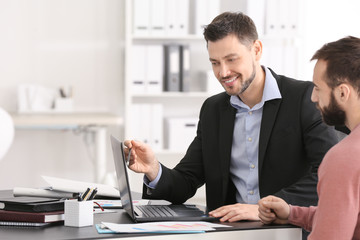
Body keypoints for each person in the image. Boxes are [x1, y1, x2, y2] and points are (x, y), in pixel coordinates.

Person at [124, 12, 338, 224]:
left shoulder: (304, 98)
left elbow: (329, 174)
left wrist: (263, 208)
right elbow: (186, 181)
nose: (223, 72)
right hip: (230, 231)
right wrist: (153, 169)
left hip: (288, 228)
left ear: (256, 50)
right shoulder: (213, 110)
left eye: (231, 59)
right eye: (215, 63)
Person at [258, 36, 360, 239]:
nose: (313, 97)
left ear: (342, 93)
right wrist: (293, 213)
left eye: (318, 88)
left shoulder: (344, 158)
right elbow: (349, 220)